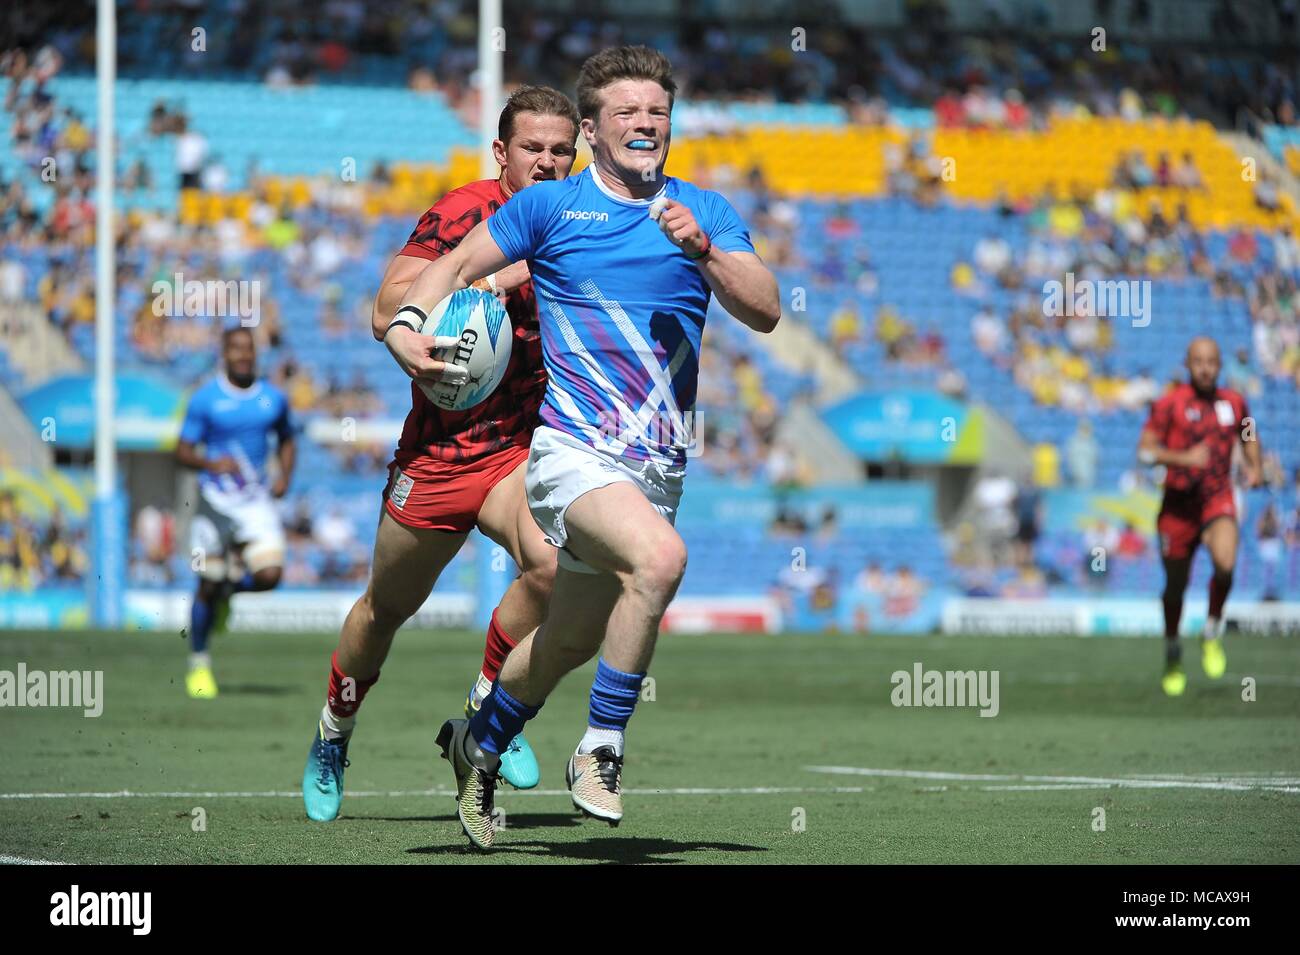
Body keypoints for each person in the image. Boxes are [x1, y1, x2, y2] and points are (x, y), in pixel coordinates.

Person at [386, 46, 781, 848]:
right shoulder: (551, 209)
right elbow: (458, 263)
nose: (646, 124)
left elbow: (767, 308)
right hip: (570, 454)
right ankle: (600, 750)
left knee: (567, 639)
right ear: (593, 130)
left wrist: (703, 249)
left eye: (658, 112)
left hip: (657, 464)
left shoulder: (702, 209)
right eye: (628, 113)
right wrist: (402, 326)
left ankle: (480, 740)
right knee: (661, 562)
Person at [300, 87, 580, 822]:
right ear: (502, 154)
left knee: (554, 566)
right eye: (533, 149)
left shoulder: (587, 217)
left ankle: (487, 705)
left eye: (560, 150)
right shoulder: (467, 210)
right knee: (383, 611)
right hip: (438, 456)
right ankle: (334, 730)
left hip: (518, 450)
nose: (547, 162)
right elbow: (385, 301)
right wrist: (424, 321)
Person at [176, 326, 296, 699]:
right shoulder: (205, 399)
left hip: (255, 502)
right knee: (205, 584)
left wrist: (285, 476)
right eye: (237, 350)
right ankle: (198, 664)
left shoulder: (272, 399)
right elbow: (181, 450)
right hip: (213, 504)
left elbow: (289, 438)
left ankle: (229, 593)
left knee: (270, 574)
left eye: (249, 349)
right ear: (224, 354)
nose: (244, 356)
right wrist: (211, 465)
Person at [1138, 337, 1262, 697]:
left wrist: (1253, 466)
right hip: (1177, 508)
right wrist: (1183, 459)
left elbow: (1249, 433)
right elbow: (1145, 452)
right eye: (1198, 361)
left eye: (1212, 361)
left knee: (1225, 562)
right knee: (1175, 585)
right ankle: (1173, 649)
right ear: (1187, 364)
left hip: (1216, 497)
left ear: (1220, 365)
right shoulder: (1168, 404)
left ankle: (1211, 629)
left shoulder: (1234, 402)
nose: (1205, 367)